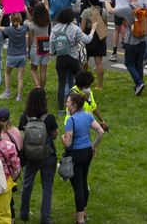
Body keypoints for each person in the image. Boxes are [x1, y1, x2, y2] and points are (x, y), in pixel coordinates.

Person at [60, 92, 104, 224]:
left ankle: (80, 219)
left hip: (76, 154)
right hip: (87, 152)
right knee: (84, 181)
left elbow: (68, 143)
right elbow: (100, 131)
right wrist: (93, 145)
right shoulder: (88, 115)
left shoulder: (70, 120)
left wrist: (63, 138)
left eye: (68, 102)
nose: (66, 104)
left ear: (73, 105)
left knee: (78, 185)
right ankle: (83, 211)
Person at [15, 88, 57, 224]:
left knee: (27, 185)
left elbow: (21, 137)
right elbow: (54, 135)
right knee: (47, 188)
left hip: (30, 157)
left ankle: (24, 213)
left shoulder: (24, 117)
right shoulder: (49, 117)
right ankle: (45, 218)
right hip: (47, 156)